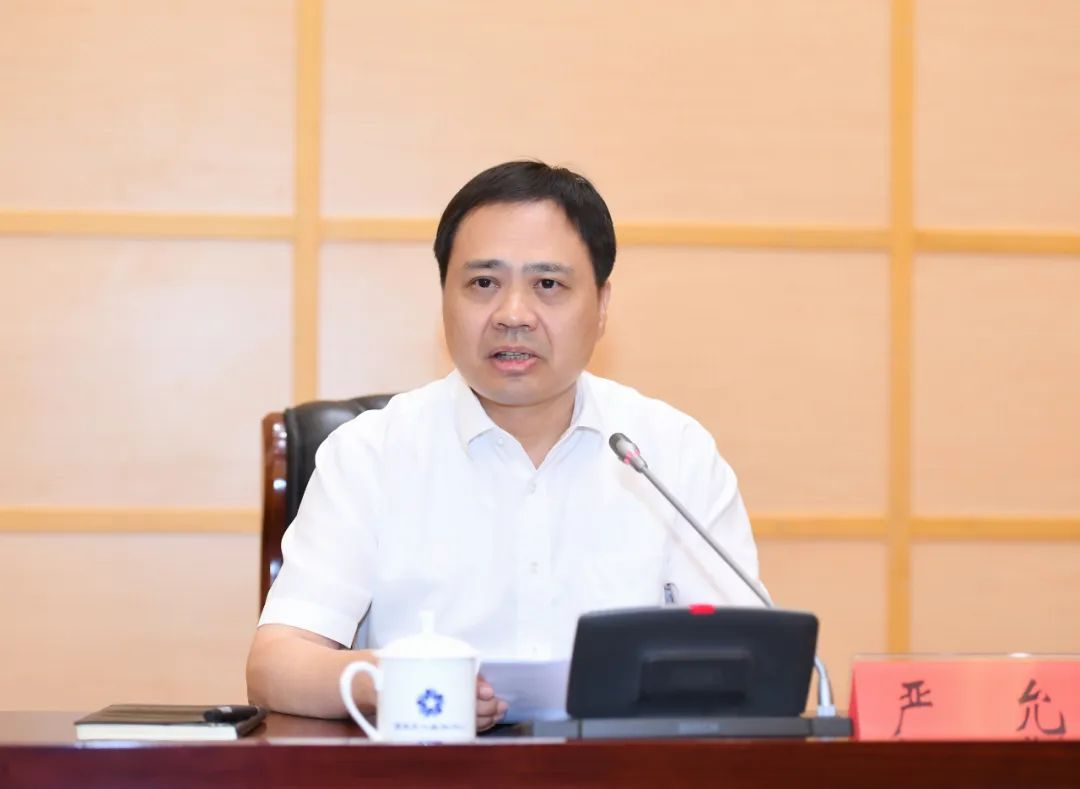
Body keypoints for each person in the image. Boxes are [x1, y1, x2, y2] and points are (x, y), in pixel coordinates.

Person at [246, 161, 764, 730]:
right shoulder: (370, 454)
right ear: (444, 298)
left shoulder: (671, 453)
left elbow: (747, 662)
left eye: (548, 285)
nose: (513, 315)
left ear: (602, 304)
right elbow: (276, 666)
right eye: (483, 284)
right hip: (428, 764)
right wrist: (398, 682)